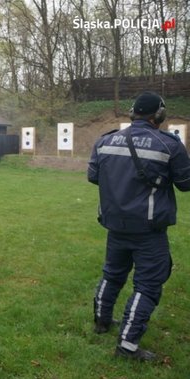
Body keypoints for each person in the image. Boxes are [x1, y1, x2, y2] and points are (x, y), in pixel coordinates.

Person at [88, 91, 190, 361]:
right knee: (148, 286)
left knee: (112, 274)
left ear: (133, 112)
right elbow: (185, 184)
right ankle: (127, 346)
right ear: (160, 115)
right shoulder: (169, 145)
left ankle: (101, 321)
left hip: (115, 225)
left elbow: (93, 176)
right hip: (149, 230)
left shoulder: (105, 140)